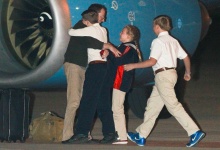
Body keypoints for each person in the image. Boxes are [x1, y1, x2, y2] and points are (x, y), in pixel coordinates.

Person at [124, 15, 205, 147]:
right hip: (171, 74)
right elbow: (186, 58)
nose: (153, 29)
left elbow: (152, 61)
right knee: (152, 107)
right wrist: (187, 73)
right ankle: (141, 135)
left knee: (173, 105)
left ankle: (194, 131)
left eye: (153, 26)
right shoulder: (173, 41)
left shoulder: (158, 42)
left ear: (157, 26)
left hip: (163, 75)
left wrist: (133, 66)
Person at [62, 4, 119, 143]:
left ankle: (81, 132)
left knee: (88, 100)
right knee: (102, 101)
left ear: (86, 21)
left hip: (95, 68)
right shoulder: (103, 30)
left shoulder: (87, 29)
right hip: (105, 67)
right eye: (102, 15)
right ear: (95, 15)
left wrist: (107, 47)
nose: (103, 18)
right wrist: (108, 47)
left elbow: (71, 32)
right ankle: (110, 133)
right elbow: (102, 44)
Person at [108, 25, 141, 144]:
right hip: (120, 81)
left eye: (123, 32)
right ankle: (120, 134)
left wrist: (109, 52)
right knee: (117, 107)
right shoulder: (126, 47)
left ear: (129, 36)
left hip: (121, 81)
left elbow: (118, 60)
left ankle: (121, 136)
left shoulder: (127, 48)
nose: (120, 34)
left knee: (117, 108)